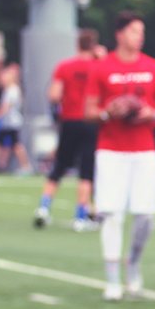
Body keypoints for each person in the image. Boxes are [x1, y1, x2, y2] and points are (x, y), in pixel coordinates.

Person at [84, 11, 155, 301]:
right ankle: (112, 278)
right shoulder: (101, 68)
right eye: (135, 31)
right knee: (111, 213)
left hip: (144, 150)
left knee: (146, 215)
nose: (140, 36)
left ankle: (133, 261)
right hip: (110, 150)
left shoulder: (154, 67)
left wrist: (151, 113)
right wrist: (108, 112)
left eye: (141, 31)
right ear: (120, 34)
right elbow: (87, 112)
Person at [34, 29, 102, 232]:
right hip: (90, 122)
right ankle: (80, 216)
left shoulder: (65, 66)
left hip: (69, 121)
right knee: (86, 172)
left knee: (59, 166)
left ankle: (43, 208)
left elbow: (54, 94)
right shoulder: (98, 67)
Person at [0, 63, 32, 174]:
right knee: (0, 144)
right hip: (8, 122)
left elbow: (5, 107)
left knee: (13, 145)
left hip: (11, 123)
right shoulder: (9, 90)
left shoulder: (12, 90)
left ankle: (26, 167)